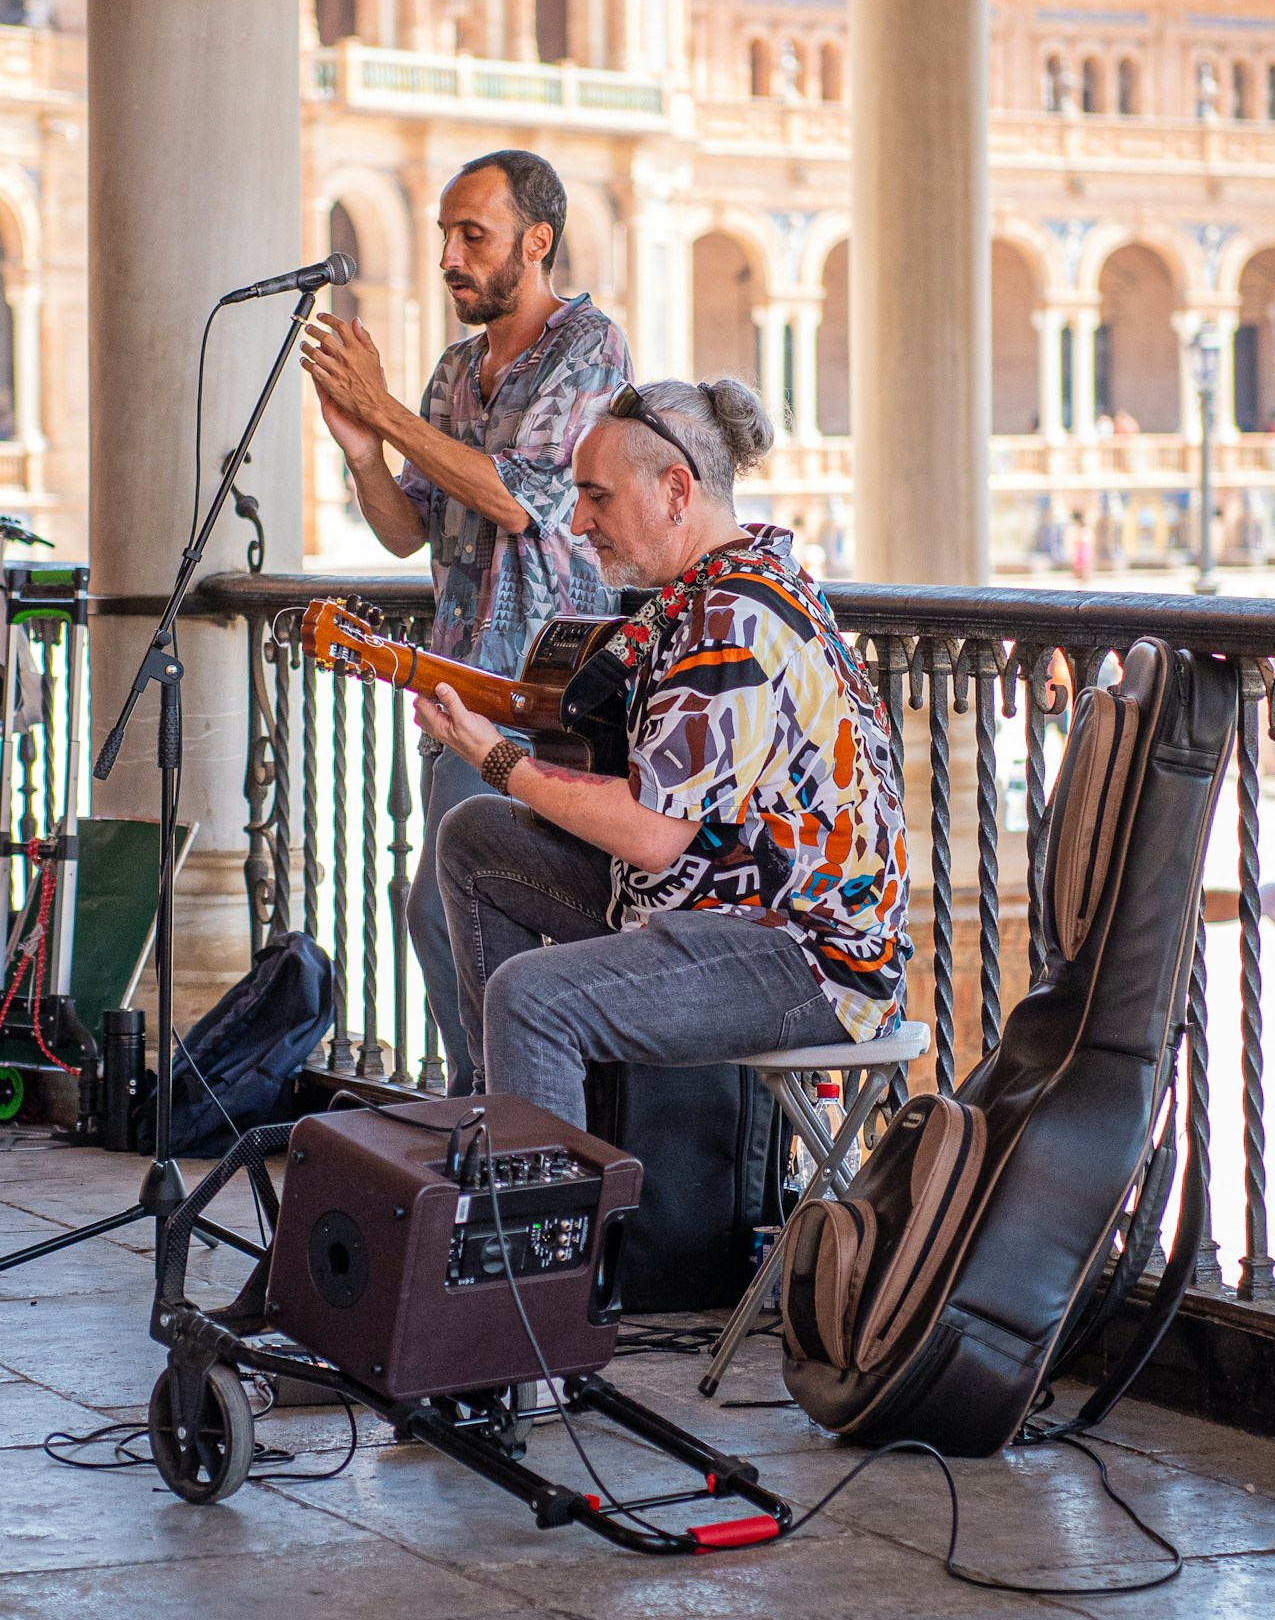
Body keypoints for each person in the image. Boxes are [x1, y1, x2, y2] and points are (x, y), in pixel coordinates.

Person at [416, 377, 912, 1129]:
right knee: (474, 839)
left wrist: (495, 757)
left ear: (677, 490)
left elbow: (650, 835)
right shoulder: (710, 590)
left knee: (531, 996)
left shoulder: (732, 617)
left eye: (598, 496)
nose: (577, 521)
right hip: (716, 902)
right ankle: (518, 1122)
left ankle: (539, 1226)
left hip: (804, 955)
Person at [301, 150, 633, 1094]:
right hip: (456, 692)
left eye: (472, 235)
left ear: (536, 242)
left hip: (549, 700)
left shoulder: (590, 348)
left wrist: (386, 409)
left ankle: (501, 1119)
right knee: (450, 914)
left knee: (446, 913)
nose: (451, 252)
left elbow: (519, 500)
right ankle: (494, 1112)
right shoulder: (454, 371)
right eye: (445, 234)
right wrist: (366, 449)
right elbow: (409, 528)